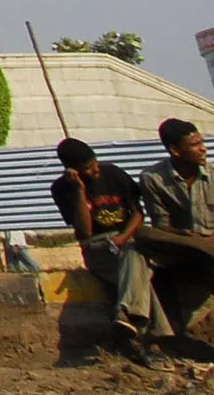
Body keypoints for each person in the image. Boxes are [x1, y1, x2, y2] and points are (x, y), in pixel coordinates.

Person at [135, 119, 214, 363]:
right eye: (195, 144)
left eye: (202, 142)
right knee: (141, 235)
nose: (203, 149)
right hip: (180, 248)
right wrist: (190, 241)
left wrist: (208, 244)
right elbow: (161, 227)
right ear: (175, 150)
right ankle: (162, 341)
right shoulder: (152, 178)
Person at [54, 137, 156, 359]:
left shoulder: (114, 174)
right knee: (139, 274)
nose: (96, 170)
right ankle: (159, 341)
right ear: (74, 171)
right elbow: (84, 232)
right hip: (97, 247)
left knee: (133, 254)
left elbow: (138, 212)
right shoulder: (62, 188)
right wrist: (79, 191)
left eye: (95, 163)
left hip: (127, 238)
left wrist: (122, 238)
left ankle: (127, 314)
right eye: (88, 169)